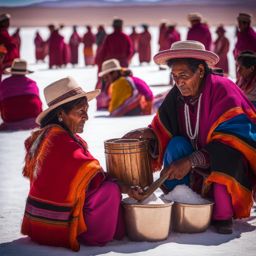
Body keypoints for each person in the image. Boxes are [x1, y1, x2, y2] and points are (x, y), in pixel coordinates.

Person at [123, 40, 256, 234]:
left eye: (184, 75)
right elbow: (164, 126)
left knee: (229, 155)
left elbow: (237, 138)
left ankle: (223, 214)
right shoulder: (177, 94)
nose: (179, 82)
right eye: (174, 76)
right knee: (176, 144)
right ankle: (182, 201)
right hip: (197, 162)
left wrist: (192, 160)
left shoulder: (223, 90)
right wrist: (148, 134)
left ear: (200, 71)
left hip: (225, 160)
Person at [21, 76, 142, 251]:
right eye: (80, 111)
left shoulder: (47, 137)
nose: (86, 116)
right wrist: (122, 187)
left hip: (37, 224)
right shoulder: (61, 142)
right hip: (58, 229)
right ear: (61, 114)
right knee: (109, 191)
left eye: (86, 110)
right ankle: (95, 237)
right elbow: (93, 179)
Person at [0, 59, 42, 130]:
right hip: (34, 120)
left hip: (11, 120)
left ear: (12, 71)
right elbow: (38, 102)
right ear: (25, 72)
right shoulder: (32, 83)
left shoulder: (4, 83)